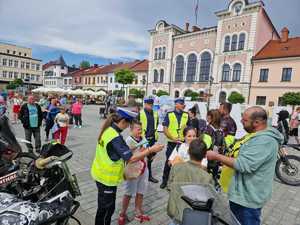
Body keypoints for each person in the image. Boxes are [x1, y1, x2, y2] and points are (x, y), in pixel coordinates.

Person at [207, 106, 283, 225]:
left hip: (248, 199)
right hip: (242, 195)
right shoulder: (255, 135)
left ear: (257, 122)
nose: (241, 121)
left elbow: (244, 165)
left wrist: (216, 156)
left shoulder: (264, 141)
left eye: (245, 120)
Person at [90, 108, 164, 225]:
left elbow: (122, 151)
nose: (127, 127)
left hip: (99, 174)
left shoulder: (108, 130)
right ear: (123, 121)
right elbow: (131, 158)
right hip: (107, 179)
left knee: (102, 208)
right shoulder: (115, 137)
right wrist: (151, 149)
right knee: (107, 210)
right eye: (128, 124)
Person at [167, 139, 213, 225]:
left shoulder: (176, 168)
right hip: (193, 216)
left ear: (188, 151)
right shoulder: (206, 177)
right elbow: (208, 200)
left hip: (176, 212)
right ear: (204, 156)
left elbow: (169, 187)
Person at [118, 120, 151, 224]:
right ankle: (122, 214)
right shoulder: (128, 140)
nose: (140, 131)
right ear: (131, 129)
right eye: (138, 129)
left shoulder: (143, 138)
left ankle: (138, 211)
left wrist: (150, 152)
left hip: (144, 168)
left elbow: (146, 150)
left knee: (141, 191)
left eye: (141, 129)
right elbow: (128, 157)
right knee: (128, 193)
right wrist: (142, 151)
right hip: (132, 170)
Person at [160, 98, 189, 189]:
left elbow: (189, 128)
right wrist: (173, 138)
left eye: (183, 104)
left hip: (183, 143)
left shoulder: (186, 115)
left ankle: (177, 181)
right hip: (172, 142)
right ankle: (165, 180)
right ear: (176, 104)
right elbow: (165, 129)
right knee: (168, 162)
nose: (183, 105)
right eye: (181, 104)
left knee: (181, 162)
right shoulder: (169, 114)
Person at [138, 97, 159, 183]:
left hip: (152, 139)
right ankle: (139, 175)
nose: (150, 106)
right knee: (141, 158)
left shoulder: (155, 113)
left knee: (150, 158)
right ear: (145, 104)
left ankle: (149, 176)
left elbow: (156, 124)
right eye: (148, 105)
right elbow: (135, 127)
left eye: (151, 105)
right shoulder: (140, 113)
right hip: (143, 139)